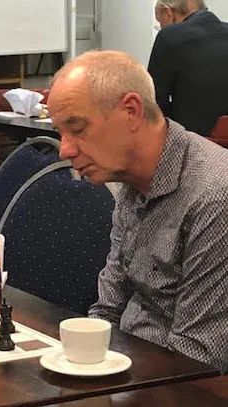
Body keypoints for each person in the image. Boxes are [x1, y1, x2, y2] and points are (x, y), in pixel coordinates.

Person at [47, 50, 228, 373]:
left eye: (78, 128)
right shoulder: (130, 180)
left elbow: (195, 363)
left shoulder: (214, 196)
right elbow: (107, 309)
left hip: (176, 385)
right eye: (61, 133)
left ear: (130, 111)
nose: (64, 150)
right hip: (131, 370)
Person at [148, 0, 228, 136]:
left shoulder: (168, 36)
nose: (161, 27)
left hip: (192, 141)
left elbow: (154, 102)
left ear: (168, 12)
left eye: (160, 22)